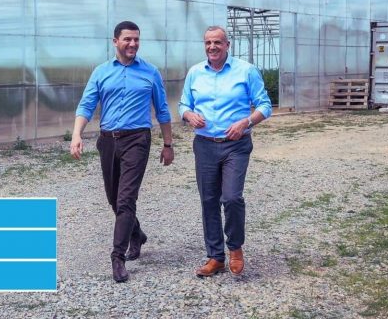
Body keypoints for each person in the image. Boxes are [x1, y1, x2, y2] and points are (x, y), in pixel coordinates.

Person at [70, 20, 174, 283]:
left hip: (137, 140)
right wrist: (76, 134)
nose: (133, 43)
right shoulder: (101, 72)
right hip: (108, 141)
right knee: (114, 199)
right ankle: (136, 234)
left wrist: (168, 144)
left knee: (126, 199)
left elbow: (162, 110)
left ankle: (117, 257)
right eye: (127, 39)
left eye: (136, 39)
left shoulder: (150, 72)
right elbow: (86, 105)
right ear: (115, 41)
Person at [178, 25, 272, 277]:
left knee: (231, 197)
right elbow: (183, 104)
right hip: (205, 145)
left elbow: (265, 105)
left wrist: (246, 122)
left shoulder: (246, 71)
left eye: (217, 42)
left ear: (227, 45)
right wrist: (188, 115)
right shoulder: (195, 73)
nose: (212, 47)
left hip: (236, 145)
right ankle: (215, 257)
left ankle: (235, 248)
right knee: (208, 200)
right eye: (208, 43)